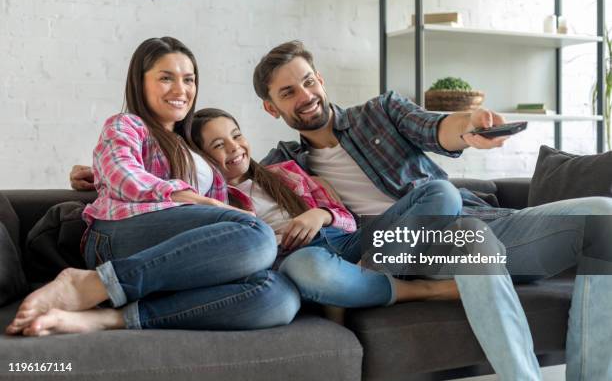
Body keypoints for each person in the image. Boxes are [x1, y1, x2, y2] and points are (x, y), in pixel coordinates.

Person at [250, 41, 612, 380]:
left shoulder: (380, 112)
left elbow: (437, 127)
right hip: (395, 257)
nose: (306, 96)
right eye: (288, 93)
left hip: (472, 225)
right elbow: (242, 209)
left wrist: (468, 125)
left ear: (320, 80)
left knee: (603, 216)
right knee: (469, 235)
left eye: (308, 82)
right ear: (271, 108)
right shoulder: (280, 170)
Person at [6, 37, 300, 337]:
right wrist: (196, 200)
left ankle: (110, 318)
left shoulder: (193, 146)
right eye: (166, 78)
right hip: (120, 233)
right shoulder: (126, 125)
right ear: (139, 82)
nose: (180, 90)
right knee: (256, 236)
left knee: (278, 296)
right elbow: (122, 172)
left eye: (188, 79)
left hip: (177, 259)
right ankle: (92, 284)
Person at [190, 108, 460, 313]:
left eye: (235, 135)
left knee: (442, 192)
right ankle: (420, 290)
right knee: (306, 267)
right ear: (201, 159)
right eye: (218, 145)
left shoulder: (285, 173)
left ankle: (358, 282)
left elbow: (348, 222)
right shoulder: (214, 201)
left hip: (346, 243)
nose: (234, 146)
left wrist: (321, 214)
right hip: (299, 259)